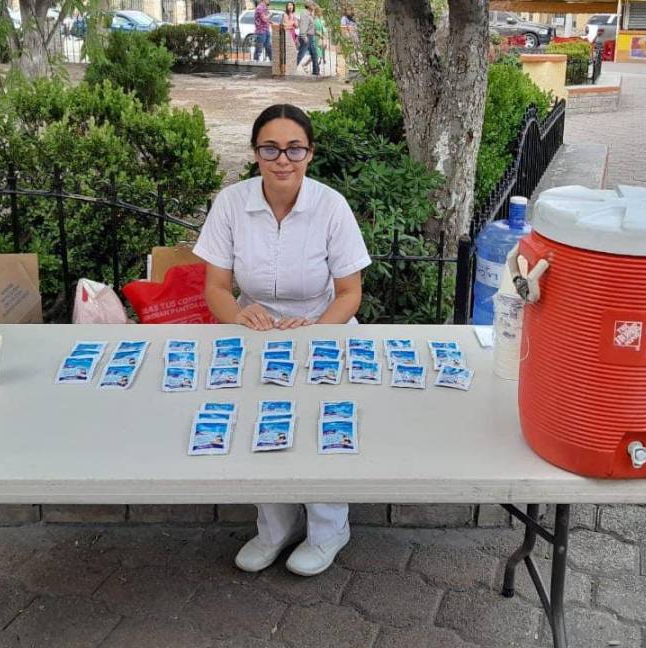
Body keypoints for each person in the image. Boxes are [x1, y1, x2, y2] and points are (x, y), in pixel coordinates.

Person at [193, 104, 370, 577]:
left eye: (294, 148)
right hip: (257, 333)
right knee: (259, 427)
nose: (282, 159)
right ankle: (275, 527)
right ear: (255, 153)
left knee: (323, 428)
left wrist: (314, 331)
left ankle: (329, 528)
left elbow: (350, 293)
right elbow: (215, 287)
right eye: (270, 148)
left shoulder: (330, 206)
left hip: (321, 327)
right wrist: (239, 314)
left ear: (310, 153)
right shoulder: (231, 203)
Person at [295, 1, 319, 75]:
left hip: (311, 36)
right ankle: (291, 69)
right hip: (306, 36)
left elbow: (311, 26)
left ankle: (316, 72)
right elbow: (303, 26)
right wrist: (303, 36)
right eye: (313, 5)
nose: (314, 6)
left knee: (314, 54)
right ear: (308, 6)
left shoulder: (310, 14)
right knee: (301, 54)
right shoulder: (305, 13)